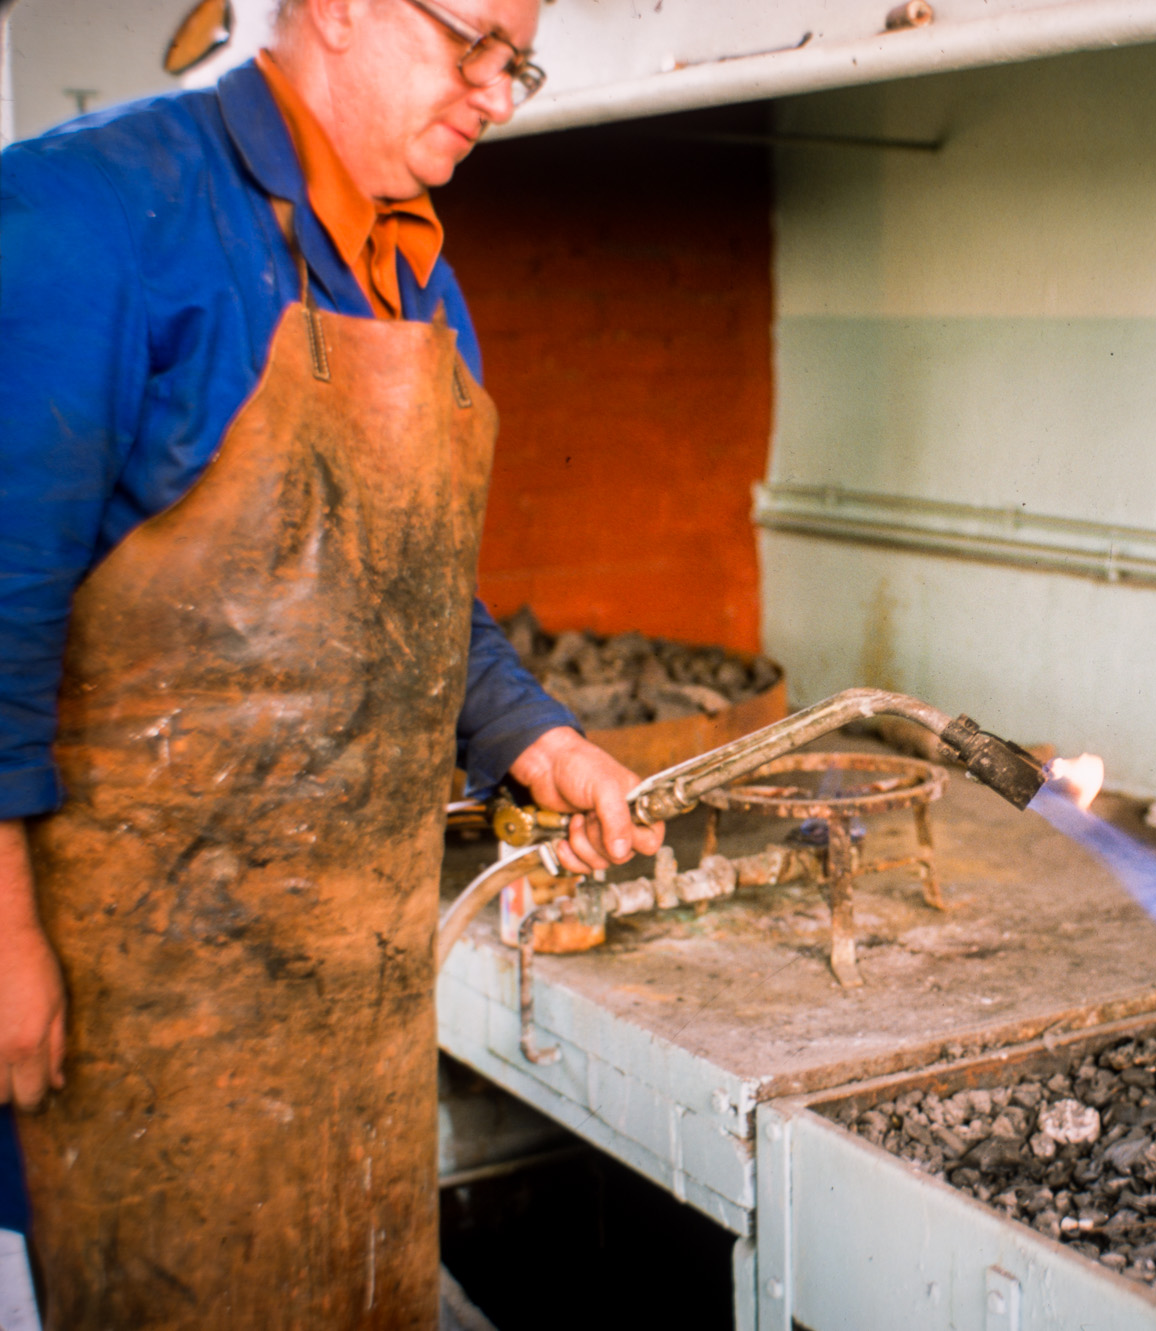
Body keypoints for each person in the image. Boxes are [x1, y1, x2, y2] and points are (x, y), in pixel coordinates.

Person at [0, 0, 665, 1323]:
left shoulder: (416, 275)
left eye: (517, 62)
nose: (495, 90)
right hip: (106, 989)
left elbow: (410, 598)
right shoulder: (87, 215)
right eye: (473, 40)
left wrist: (545, 741)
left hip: (338, 992)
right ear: (337, 6)